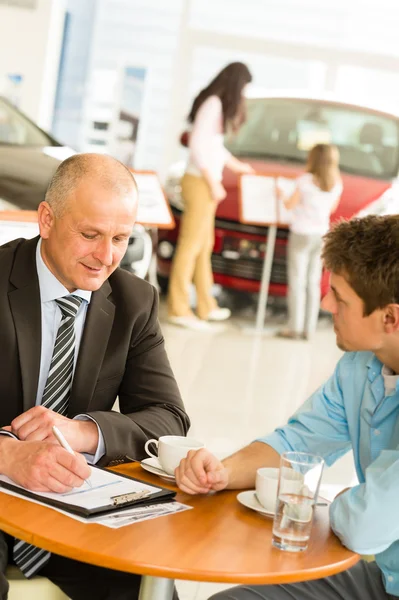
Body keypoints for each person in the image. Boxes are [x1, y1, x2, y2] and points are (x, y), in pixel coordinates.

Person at [175, 214, 399, 600]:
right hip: (383, 578)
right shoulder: (359, 367)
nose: (326, 303)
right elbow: (297, 445)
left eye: (341, 298)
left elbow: (366, 527)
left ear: (390, 318)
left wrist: (340, 503)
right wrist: (222, 472)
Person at [0, 153, 189, 600]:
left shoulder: (134, 301)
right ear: (46, 219)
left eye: (121, 238)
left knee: (148, 582)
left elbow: (169, 418)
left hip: (74, 504)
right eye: (90, 235)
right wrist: (9, 457)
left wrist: (82, 432)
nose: (105, 258)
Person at [167, 62, 254, 330]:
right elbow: (196, 145)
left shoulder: (214, 104)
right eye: (245, 88)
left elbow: (213, 146)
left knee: (203, 246)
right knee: (191, 246)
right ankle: (179, 308)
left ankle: (206, 305)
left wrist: (236, 166)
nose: (245, 95)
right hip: (200, 183)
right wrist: (212, 181)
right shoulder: (214, 104)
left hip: (205, 182)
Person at [277, 143, 342, 340]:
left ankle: (294, 328)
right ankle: (309, 329)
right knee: (313, 282)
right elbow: (331, 210)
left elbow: (289, 205)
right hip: (321, 235)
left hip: (301, 233)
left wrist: (281, 194)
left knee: (297, 281)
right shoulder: (336, 183)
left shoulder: (305, 181)